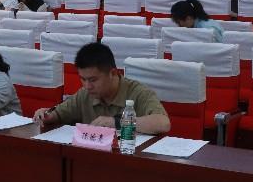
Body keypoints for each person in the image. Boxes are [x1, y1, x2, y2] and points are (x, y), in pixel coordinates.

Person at [33, 43, 170, 134]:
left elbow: (163, 123)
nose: (87, 86)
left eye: (93, 80)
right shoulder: (85, 94)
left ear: (113, 73)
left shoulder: (138, 92)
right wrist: (46, 115)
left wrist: (117, 123)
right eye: (83, 79)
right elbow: (58, 114)